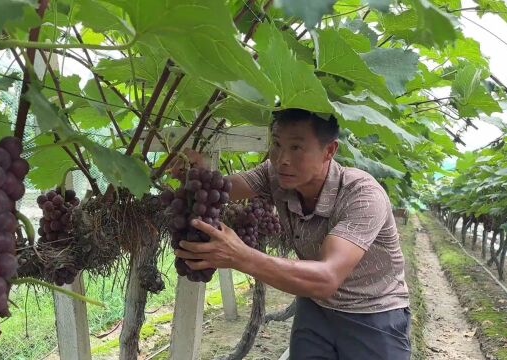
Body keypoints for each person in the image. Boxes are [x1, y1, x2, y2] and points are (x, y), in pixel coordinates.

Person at [172, 108, 411, 359]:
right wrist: (195, 172)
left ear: (329, 151)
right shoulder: (273, 173)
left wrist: (240, 256)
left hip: (373, 313)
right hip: (315, 307)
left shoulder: (362, 195)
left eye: (296, 147)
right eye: (276, 144)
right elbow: (224, 189)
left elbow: (327, 278)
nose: (282, 158)